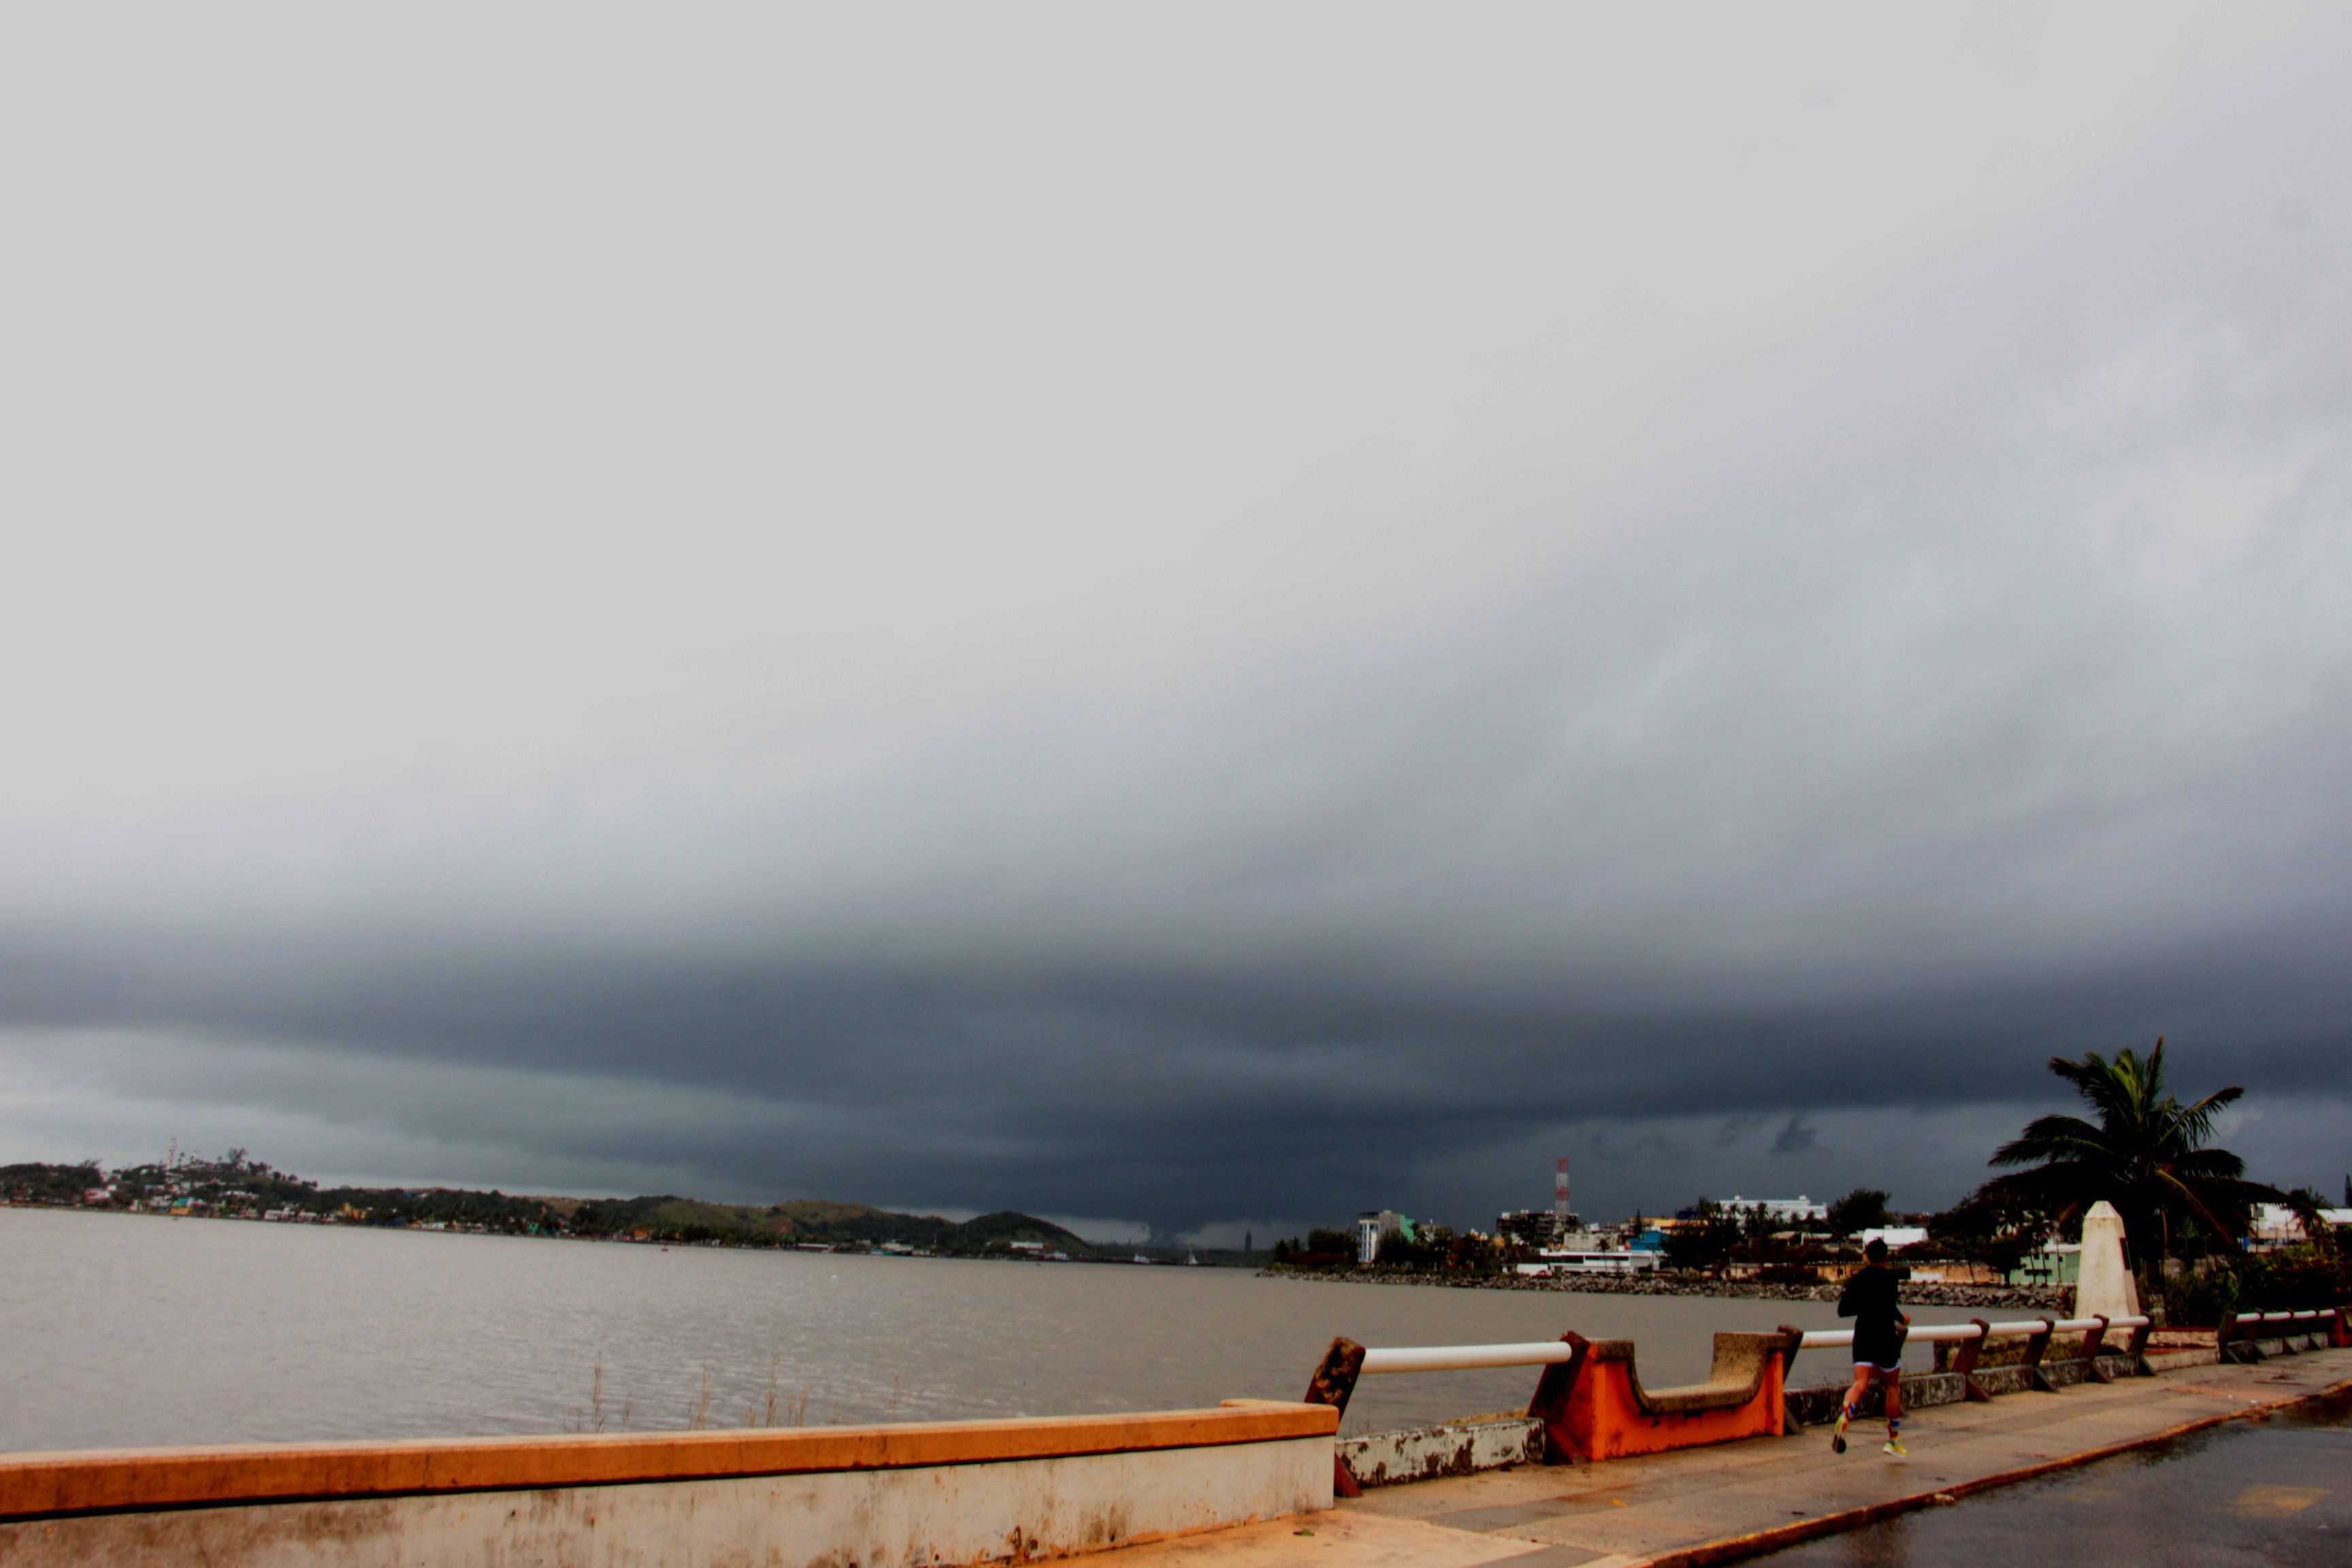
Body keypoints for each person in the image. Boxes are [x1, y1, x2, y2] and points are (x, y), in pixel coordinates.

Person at [1833, 1237, 1910, 1456]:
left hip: (1863, 1336)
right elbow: (1890, 1308)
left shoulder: (1857, 1279)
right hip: (1886, 1337)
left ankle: (1845, 1414)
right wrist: (1903, 1319)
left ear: (1866, 1256)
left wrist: (1863, 1305)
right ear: (1886, 1258)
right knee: (1893, 1386)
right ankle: (1893, 1441)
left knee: (1860, 1383)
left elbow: (1842, 1311)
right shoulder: (1891, 1279)